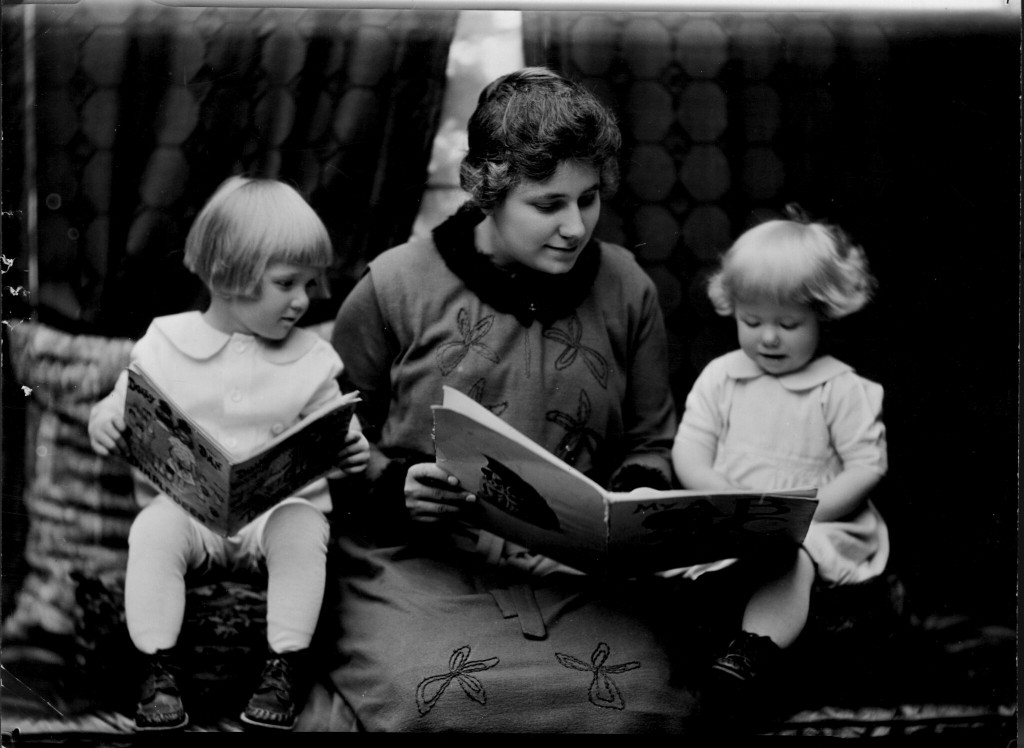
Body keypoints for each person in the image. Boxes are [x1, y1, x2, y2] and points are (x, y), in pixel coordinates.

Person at [320, 68, 693, 732]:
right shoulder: (395, 284)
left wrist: (635, 497)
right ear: (489, 191)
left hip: (575, 574)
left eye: (588, 199)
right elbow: (332, 437)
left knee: (641, 699)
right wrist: (397, 488)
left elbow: (651, 439)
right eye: (548, 205)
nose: (575, 227)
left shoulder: (627, 287)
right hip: (418, 568)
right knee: (432, 699)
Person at [88, 176, 370, 732]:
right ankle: (157, 669)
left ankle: (284, 667)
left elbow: (341, 426)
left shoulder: (313, 358)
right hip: (191, 515)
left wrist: (352, 448)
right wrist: (106, 422)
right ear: (225, 274)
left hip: (272, 519)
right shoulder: (166, 343)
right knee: (154, 528)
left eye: (309, 284)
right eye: (286, 283)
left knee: (303, 527)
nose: (303, 300)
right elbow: (119, 402)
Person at [671, 205, 888, 719]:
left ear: (822, 316)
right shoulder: (723, 377)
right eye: (752, 321)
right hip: (734, 516)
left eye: (788, 324)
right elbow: (689, 449)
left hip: (816, 522)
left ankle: (753, 650)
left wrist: (805, 513)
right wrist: (723, 494)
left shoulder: (839, 388)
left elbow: (866, 466)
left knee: (793, 557)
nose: (768, 337)